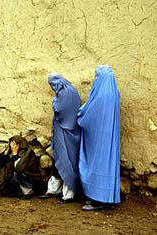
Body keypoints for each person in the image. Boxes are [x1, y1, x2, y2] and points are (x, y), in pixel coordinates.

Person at [77, 65, 121, 210]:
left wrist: (80, 115)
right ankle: (106, 197)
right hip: (108, 138)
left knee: (97, 164)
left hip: (98, 139)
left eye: (96, 76)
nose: (95, 79)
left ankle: (97, 199)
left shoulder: (101, 95)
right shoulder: (114, 93)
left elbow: (89, 115)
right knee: (107, 165)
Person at [39, 72, 82, 204]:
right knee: (59, 159)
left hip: (66, 132)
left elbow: (59, 109)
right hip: (65, 131)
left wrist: (54, 100)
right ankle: (53, 189)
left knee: (67, 160)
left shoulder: (64, 93)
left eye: (52, 84)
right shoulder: (71, 91)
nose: (52, 87)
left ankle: (68, 193)